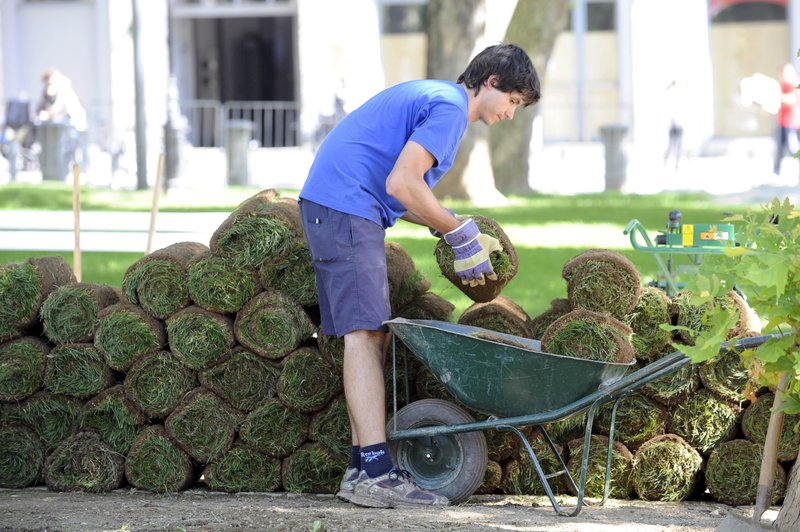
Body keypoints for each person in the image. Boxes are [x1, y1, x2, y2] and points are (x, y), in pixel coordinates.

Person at [298, 43, 540, 509]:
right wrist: (459, 235)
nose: (511, 113)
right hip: (347, 207)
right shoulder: (450, 109)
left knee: (370, 336)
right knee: (364, 335)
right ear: (490, 83)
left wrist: (445, 222)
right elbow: (402, 184)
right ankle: (375, 472)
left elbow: (403, 193)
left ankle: (359, 469)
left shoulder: (438, 99)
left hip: (342, 204)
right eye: (512, 101)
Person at [774, 62, 800, 176]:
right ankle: (776, 171)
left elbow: (792, 99)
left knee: (793, 148)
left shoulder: (795, 85)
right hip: (781, 122)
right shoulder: (781, 86)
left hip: (792, 123)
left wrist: (777, 96)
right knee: (779, 149)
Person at [663, 79, 684, 171]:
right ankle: (666, 163)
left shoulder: (679, 96)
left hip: (679, 127)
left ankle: (676, 165)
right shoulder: (671, 97)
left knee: (678, 147)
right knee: (671, 146)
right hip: (673, 127)